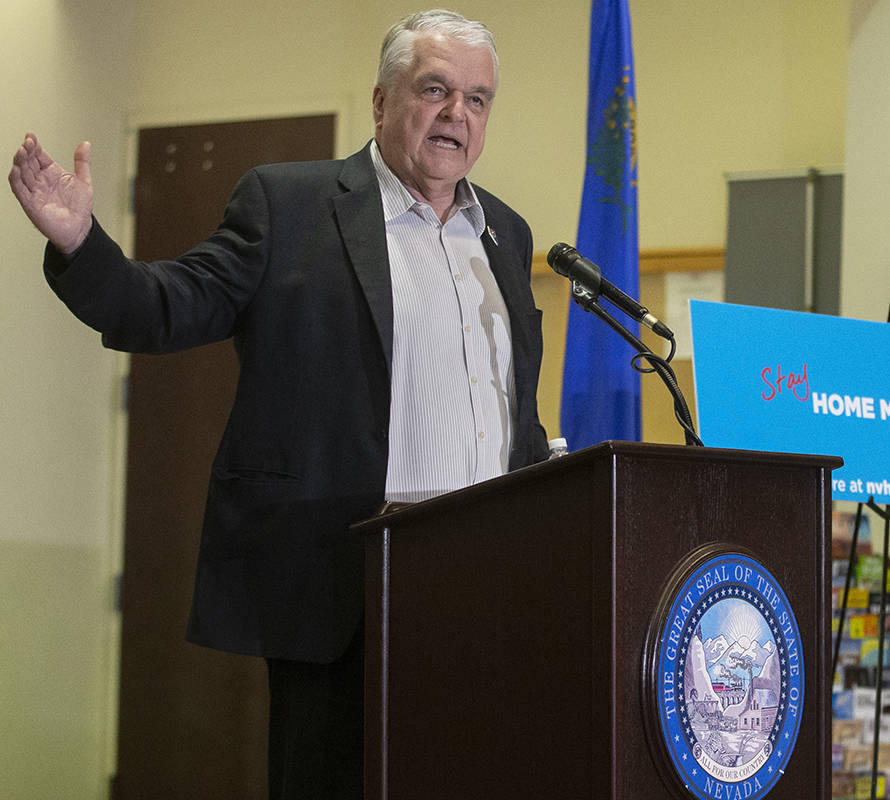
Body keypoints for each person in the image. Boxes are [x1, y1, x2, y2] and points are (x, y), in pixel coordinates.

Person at [9, 9, 548, 799]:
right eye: (434, 90)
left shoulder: (505, 232)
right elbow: (167, 305)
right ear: (381, 100)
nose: (456, 115)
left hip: (483, 588)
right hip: (348, 581)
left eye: (477, 98)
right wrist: (82, 245)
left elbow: (512, 409)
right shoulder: (290, 206)